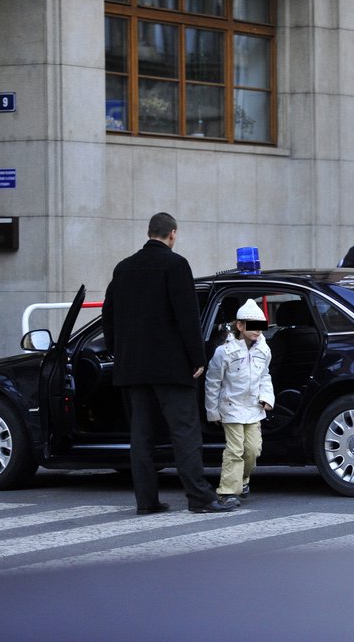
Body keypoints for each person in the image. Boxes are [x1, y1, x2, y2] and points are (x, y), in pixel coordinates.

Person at [102, 212, 237, 515]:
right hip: (172, 367)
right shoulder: (176, 265)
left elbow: (108, 316)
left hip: (133, 369)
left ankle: (146, 501)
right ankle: (199, 498)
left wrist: (118, 352)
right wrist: (197, 358)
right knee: (185, 433)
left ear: (149, 233)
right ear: (172, 234)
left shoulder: (123, 268)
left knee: (142, 437)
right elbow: (187, 317)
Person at [204, 298, 275, 506]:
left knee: (253, 449)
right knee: (235, 449)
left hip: (254, 407)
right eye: (252, 327)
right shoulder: (224, 352)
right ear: (240, 325)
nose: (257, 332)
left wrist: (267, 398)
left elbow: (265, 376)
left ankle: (242, 480)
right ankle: (227, 490)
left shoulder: (264, 350)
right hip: (231, 407)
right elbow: (213, 382)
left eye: (261, 328)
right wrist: (213, 411)